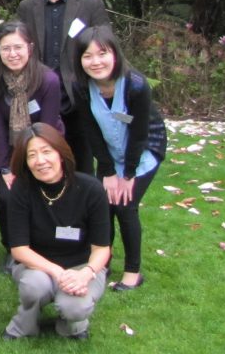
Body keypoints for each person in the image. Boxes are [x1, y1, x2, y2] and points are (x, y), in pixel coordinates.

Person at [74, 26, 166, 292]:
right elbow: (91, 129)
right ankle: (103, 262)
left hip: (143, 148)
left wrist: (127, 175)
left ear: (115, 54)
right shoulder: (81, 87)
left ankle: (132, 273)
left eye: (102, 54)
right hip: (109, 150)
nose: (95, 62)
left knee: (125, 205)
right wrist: (107, 170)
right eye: (87, 56)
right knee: (104, 205)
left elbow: (139, 133)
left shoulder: (136, 85)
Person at [2, 123, 110, 341]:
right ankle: (24, 324)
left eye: (46, 151)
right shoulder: (21, 190)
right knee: (34, 287)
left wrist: (85, 274)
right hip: (36, 265)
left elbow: (102, 249)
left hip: (82, 266)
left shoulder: (91, 189)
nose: (40, 161)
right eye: (32, 155)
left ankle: (72, 324)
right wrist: (58, 272)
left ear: (61, 154)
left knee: (74, 308)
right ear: (25, 162)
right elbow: (19, 250)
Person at [18, 0, 110, 172]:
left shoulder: (90, 5)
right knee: (42, 156)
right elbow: (20, 47)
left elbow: (107, 44)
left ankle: (81, 206)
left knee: (81, 162)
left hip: (79, 94)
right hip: (39, 92)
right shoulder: (28, 7)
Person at [0, 21, 64, 251]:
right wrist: (6, 169)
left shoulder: (48, 80)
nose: (12, 54)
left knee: (43, 194)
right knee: (7, 198)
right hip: (10, 149)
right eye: (6, 48)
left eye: (18, 47)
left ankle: (46, 244)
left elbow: (47, 127)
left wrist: (36, 163)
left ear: (30, 47)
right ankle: (12, 247)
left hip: (47, 146)